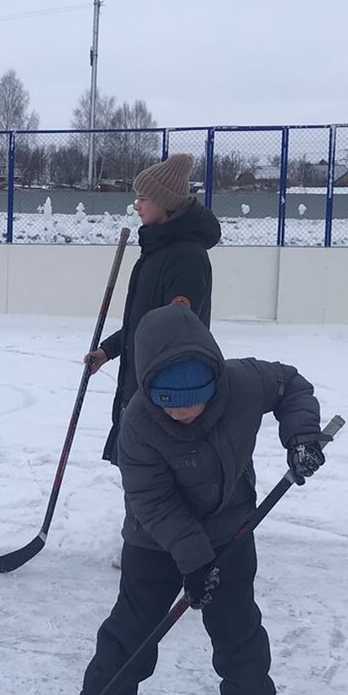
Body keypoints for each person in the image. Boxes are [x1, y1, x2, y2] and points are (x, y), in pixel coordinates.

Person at [76, 304, 328, 695]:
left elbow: (292, 386)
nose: (184, 412)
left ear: (215, 382)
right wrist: (194, 562)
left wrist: (301, 439)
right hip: (155, 541)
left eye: (195, 400)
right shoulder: (138, 424)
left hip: (231, 530)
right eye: (171, 401)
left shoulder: (244, 383)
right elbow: (153, 501)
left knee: (239, 633)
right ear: (150, 391)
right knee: (131, 634)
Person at [84, 154, 222, 464]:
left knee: (154, 477)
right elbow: (144, 322)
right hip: (143, 382)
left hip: (166, 392)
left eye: (143, 198)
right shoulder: (156, 250)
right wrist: (108, 351)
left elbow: (174, 332)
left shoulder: (186, 256)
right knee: (139, 478)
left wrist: (158, 392)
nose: (136, 205)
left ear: (165, 202)